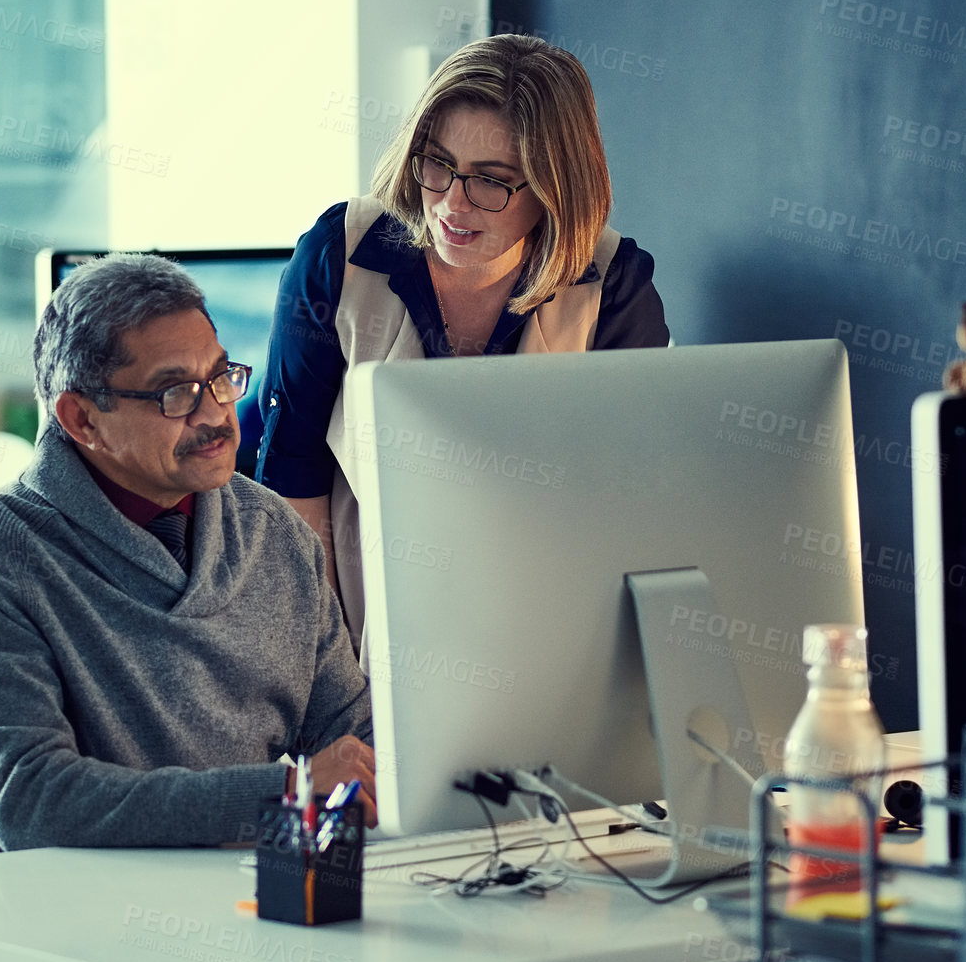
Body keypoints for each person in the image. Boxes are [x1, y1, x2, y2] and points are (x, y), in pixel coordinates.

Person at [0, 253, 376, 852]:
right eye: (176, 394)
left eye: (221, 377)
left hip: (227, 889)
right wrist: (284, 792)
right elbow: (30, 803)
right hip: (34, 907)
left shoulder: (275, 532)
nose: (217, 412)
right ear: (82, 419)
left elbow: (352, 739)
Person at [256, 34, 670, 645]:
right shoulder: (340, 254)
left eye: (491, 182)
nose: (451, 203)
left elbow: (627, 499)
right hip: (362, 596)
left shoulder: (614, 288)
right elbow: (293, 471)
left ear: (557, 188)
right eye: (438, 164)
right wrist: (326, 662)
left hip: (544, 610)